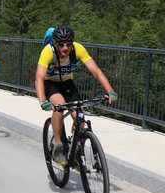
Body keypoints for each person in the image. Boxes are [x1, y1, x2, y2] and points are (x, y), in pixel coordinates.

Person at [34, 25, 117, 166]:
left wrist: (110, 90)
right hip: (50, 83)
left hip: (67, 82)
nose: (65, 48)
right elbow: (39, 78)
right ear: (55, 44)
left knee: (79, 115)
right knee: (59, 105)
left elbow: (96, 71)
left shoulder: (78, 49)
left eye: (68, 44)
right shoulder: (48, 52)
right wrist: (42, 100)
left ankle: (76, 149)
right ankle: (58, 145)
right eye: (61, 45)